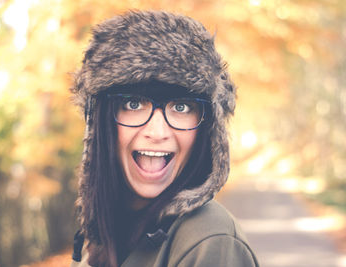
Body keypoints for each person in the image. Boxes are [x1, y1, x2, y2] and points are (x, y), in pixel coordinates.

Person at [70, 10, 259, 267]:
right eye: (134, 103)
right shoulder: (99, 239)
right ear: (102, 122)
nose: (157, 133)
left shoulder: (210, 242)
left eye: (181, 107)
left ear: (206, 128)